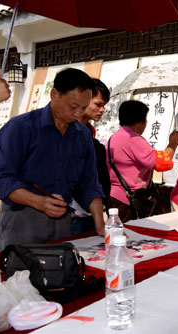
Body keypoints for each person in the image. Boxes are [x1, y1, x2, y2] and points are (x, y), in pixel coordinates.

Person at [0, 68, 106, 251]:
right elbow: (2, 179)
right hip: (22, 219)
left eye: (83, 107)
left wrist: (100, 224)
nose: (78, 114)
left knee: (59, 274)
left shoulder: (83, 135)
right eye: (73, 107)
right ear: (54, 94)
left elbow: (90, 183)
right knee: (20, 276)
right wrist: (39, 202)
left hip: (62, 221)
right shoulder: (20, 128)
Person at [106, 100, 178, 223]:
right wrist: (173, 144)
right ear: (140, 121)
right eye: (145, 120)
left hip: (115, 196)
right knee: (133, 236)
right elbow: (161, 163)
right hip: (129, 200)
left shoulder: (114, 138)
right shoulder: (133, 139)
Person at [71, 78, 111, 235]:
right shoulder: (65, 131)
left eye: (104, 105)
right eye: (98, 104)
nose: (102, 110)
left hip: (91, 208)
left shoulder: (87, 131)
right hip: (74, 212)